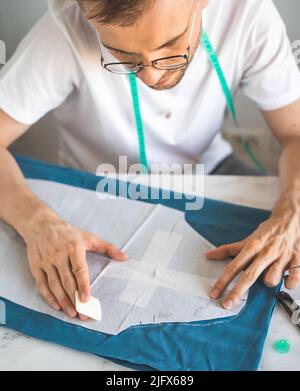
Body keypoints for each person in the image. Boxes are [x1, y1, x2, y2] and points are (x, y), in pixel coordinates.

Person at [0, 0, 299, 319]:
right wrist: (37, 222)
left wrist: (293, 205)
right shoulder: (61, 33)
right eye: (124, 57)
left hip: (210, 169)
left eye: (170, 45)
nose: (152, 76)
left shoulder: (248, 12)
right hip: (99, 181)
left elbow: (295, 133)